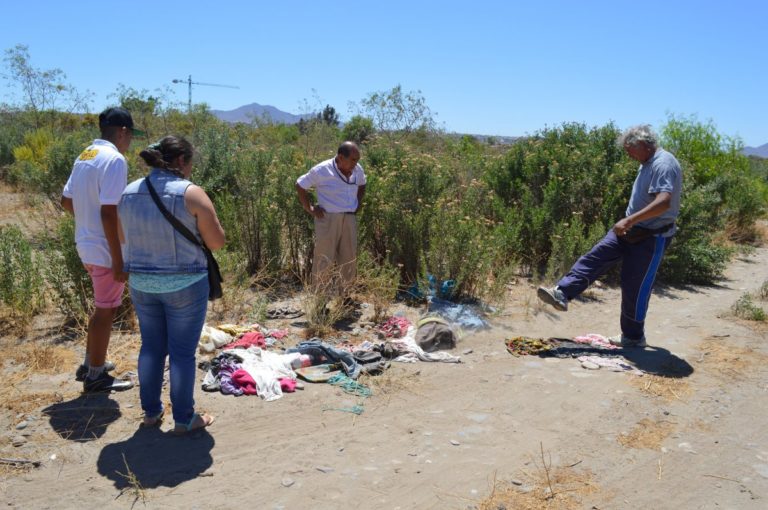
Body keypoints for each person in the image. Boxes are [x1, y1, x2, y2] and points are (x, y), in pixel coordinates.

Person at [537, 125, 683, 348]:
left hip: (651, 237)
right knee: (595, 257)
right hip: (628, 230)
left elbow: (663, 202)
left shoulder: (663, 163)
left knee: (635, 286)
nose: (628, 154)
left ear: (644, 145)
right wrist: (629, 222)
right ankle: (562, 293)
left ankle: (633, 338)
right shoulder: (647, 162)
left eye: (629, 149)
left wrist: (630, 220)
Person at [118, 136, 224, 433]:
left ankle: (151, 414)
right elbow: (216, 242)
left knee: (151, 347)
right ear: (180, 162)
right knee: (181, 353)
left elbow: (122, 236)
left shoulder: (128, 192)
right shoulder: (191, 194)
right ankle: (184, 418)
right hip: (185, 284)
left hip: (142, 283)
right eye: (190, 163)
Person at [61, 107, 144, 392]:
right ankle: (95, 375)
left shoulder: (86, 155)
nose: (130, 142)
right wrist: (118, 259)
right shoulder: (115, 160)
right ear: (122, 132)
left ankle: (91, 362)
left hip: (87, 244)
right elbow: (110, 213)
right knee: (105, 310)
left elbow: (66, 200)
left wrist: (87, 224)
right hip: (105, 249)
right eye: (130, 136)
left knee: (101, 308)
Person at [296, 141, 366, 295]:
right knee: (324, 259)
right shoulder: (322, 170)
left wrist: (358, 203)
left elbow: (362, 184)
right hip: (327, 219)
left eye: (357, 159)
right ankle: (320, 300)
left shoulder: (357, 169)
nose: (356, 163)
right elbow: (300, 185)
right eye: (353, 159)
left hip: (349, 218)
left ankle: (345, 297)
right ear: (341, 157)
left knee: (349, 258)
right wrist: (310, 209)